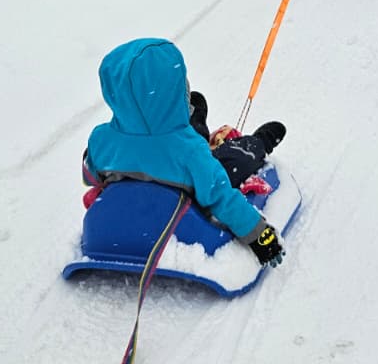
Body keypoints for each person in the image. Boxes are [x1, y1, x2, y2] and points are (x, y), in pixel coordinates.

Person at [82, 37, 287, 266]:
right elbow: (222, 198)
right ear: (174, 92)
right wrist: (259, 235)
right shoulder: (190, 151)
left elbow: (91, 176)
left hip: (166, 158)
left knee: (188, 137)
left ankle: (194, 116)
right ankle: (258, 141)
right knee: (236, 158)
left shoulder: (100, 139)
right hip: (181, 209)